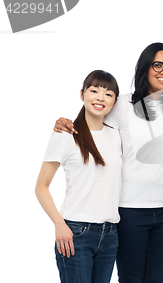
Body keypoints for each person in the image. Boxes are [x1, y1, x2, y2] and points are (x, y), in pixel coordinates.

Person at [55, 43, 163, 282]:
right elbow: (93, 120)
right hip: (130, 210)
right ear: (145, 68)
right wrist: (65, 122)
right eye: (158, 65)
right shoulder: (124, 104)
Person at [35, 70, 121, 283]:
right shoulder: (65, 135)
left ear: (114, 102)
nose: (100, 98)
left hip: (110, 234)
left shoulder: (116, 134)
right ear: (82, 94)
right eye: (94, 91)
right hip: (75, 232)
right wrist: (59, 224)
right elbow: (41, 186)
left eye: (108, 94)